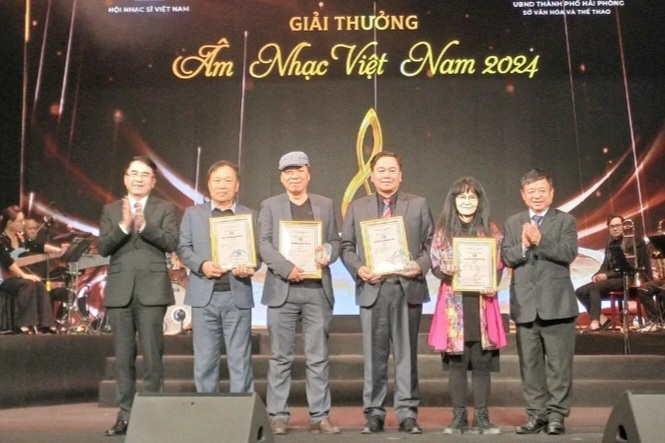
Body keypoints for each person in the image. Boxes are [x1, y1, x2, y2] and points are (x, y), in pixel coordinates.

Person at [340, 151, 433, 435]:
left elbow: (432, 244)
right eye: (381, 170)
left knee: (407, 356)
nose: (387, 175)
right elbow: (346, 247)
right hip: (373, 289)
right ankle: (374, 414)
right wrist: (359, 269)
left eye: (392, 170)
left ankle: (407, 414)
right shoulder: (357, 207)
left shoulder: (417, 204)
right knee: (374, 356)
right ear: (372, 175)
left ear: (400, 175)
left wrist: (419, 266)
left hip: (406, 288)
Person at [258, 151, 341, 435]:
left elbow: (334, 242)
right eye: (288, 172)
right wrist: (287, 267)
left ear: (308, 173)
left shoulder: (325, 204)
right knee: (280, 357)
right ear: (282, 177)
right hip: (283, 289)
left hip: (316, 290)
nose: (294, 176)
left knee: (318, 357)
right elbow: (264, 244)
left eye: (299, 171)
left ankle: (320, 416)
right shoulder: (270, 205)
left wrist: (328, 253)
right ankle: (278, 416)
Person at [97, 156, 178, 437]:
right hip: (120, 291)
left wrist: (144, 226)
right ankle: (125, 416)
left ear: (153, 182)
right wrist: (123, 226)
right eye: (133, 173)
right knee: (123, 358)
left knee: (153, 356)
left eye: (145, 175)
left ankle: (153, 416)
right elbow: (103, 247)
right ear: (125, 178)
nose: (138, 179)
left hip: (152, 290)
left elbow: (171, 242)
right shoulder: (110, 209)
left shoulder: (164, 208)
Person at [501, 168, 578, 436]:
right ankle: (536, 415)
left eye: (542, 190)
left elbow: (568, 253)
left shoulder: (565, 220)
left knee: (559, 366)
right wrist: (524, 246)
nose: (537, 195)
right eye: (531, 191)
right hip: (525, 306)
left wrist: (540, 240)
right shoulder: (513, 222)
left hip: (557, 305)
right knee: (530, 366)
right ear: (523, 195)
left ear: (551, 193)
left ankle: (556, 416)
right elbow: (507, 256)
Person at [427, 177, 507, 435]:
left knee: (482, 363)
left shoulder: (491, 230)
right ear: (453, 201)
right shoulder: (443, 231)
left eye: (472, 196)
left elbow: (499, 265)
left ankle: (482, 417)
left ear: (480, 201)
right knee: (457, 364)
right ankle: (459, 417)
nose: (467, 201)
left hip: (483, 302)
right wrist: (445, 270)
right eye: (462, 197)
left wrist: (493, 282)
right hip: (454, 303)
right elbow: (435, 265)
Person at [177, 160, 258, 394]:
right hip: (204, 297)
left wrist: (250, 265)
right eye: (217, 180)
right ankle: (207, 410)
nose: (222, 186)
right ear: (209, 184)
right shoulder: (193, 214)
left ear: (237, 185)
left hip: (237, 295)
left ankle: (240, 411)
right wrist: (201, 265)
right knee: (205, 361)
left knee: (240, 360)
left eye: (228, 181)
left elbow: (258, 254)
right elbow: (183, 248)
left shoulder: (250, 215)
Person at [575, 215, 652, 332]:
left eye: (617, 225)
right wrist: (598, 274)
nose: (615, 229)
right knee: (580, 291)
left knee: (594, 288)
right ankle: (603, 320)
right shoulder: (610, 243)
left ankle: (595, 322)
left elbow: (631, 266)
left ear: (624, 226)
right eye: (612, 226)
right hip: (613, 279)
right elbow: (605, 264)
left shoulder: (634, 242)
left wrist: (607, 275)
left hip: (628, 278)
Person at [0, 205, 57, 334]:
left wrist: (58, 251)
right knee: (28, 285)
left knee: (39, 284)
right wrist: (24, 275)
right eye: (20, 221)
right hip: (5, 278)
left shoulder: (21, 238)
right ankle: (25, 323)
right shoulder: (1, 239)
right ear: (10, 223)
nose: (23, 224)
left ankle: (46, 324)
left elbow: (38, 246)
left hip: (18, 277)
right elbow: (7, 261)